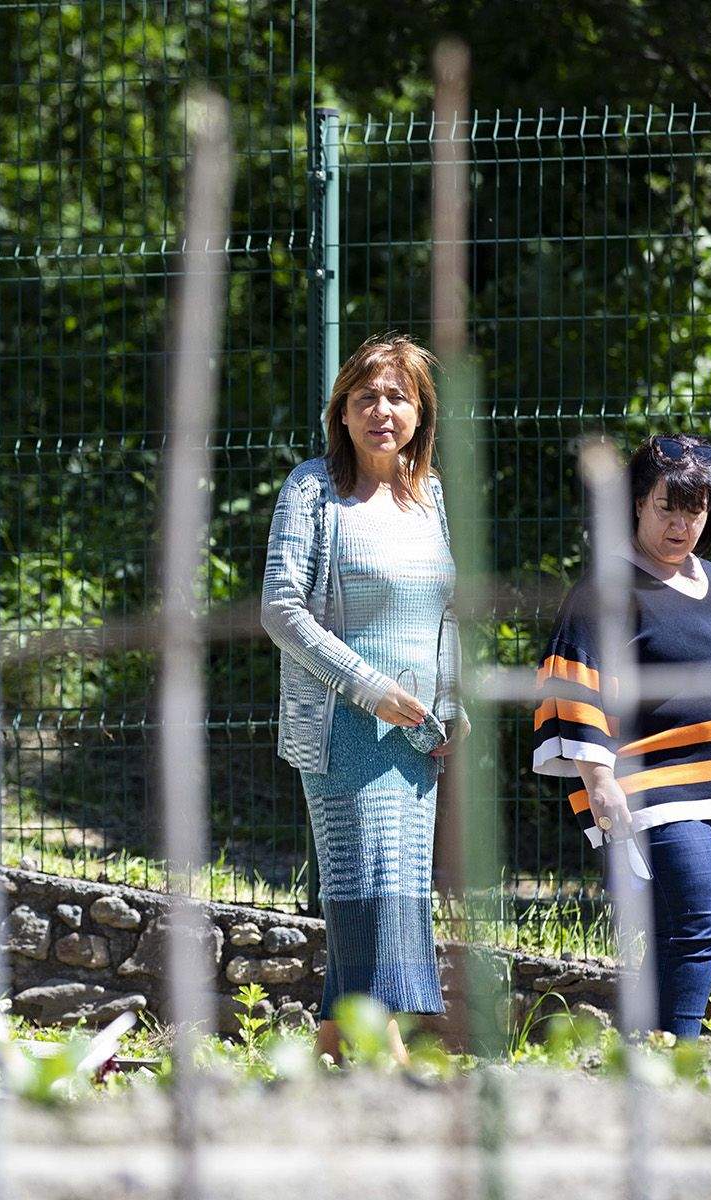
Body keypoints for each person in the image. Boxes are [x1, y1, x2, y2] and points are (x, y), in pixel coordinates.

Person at [532, 434, 711, 1039]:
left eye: (696, 510)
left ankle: (641, 1050)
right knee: (698, 923)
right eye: (667, 509)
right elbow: (569, 681)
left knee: (696, 926)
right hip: (659, 793)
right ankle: (679, 1058)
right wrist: (598, 780)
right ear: (636, 503)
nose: (682, 525)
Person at [261, 333, 466, 1064]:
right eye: (367, 397)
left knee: (393, 889)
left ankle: (328, 1050)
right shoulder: (313, 489)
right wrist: (367, 688)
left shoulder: (430, 495)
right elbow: (282, 610)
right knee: (368, 885)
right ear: (342, 414)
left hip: (417, 738)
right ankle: (391, 1061)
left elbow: (444, 612)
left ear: (420, 412)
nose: (384, 409)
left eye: (399, 396)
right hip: (343, 727)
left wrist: (453, 703)